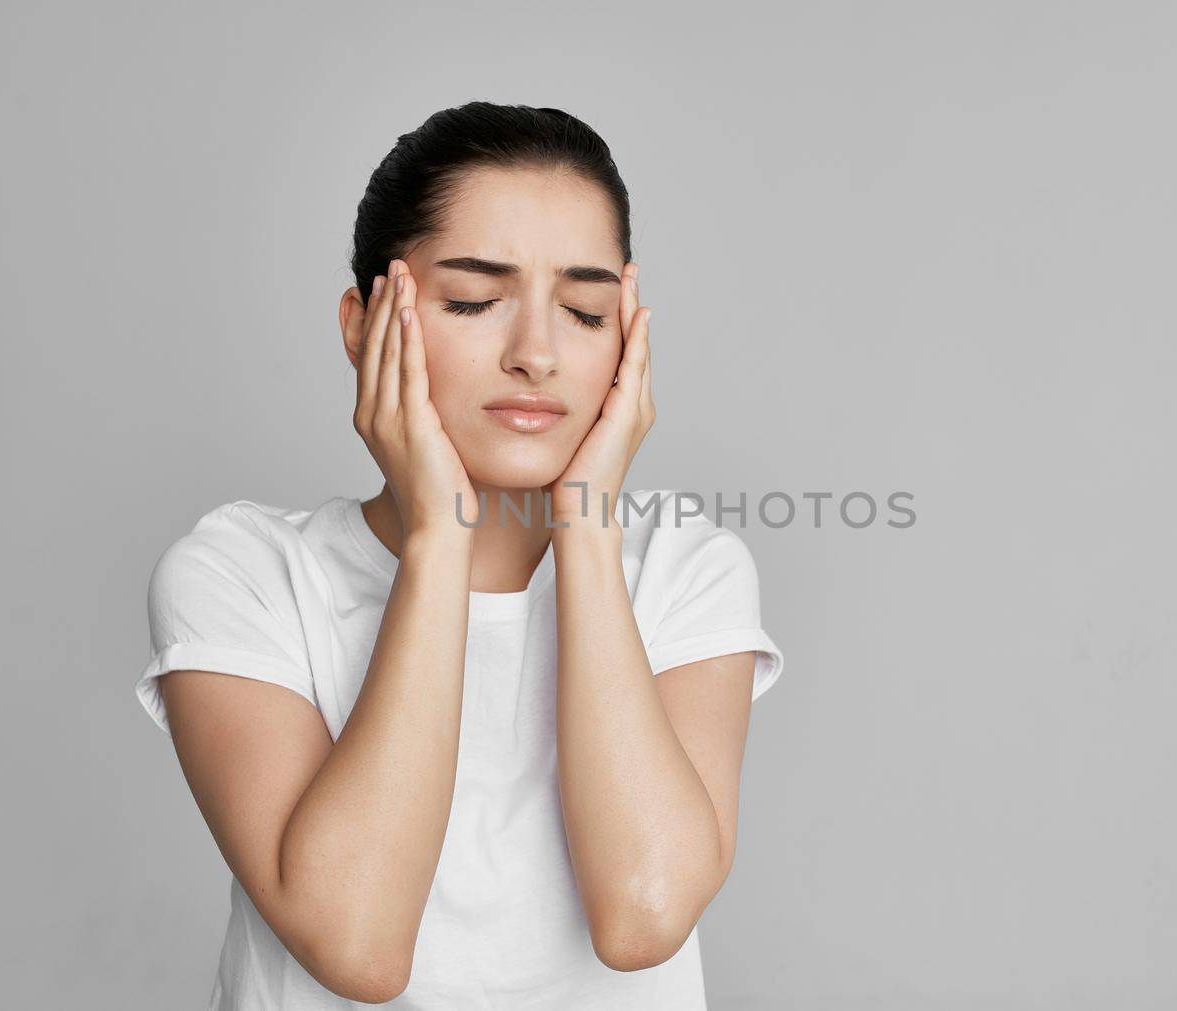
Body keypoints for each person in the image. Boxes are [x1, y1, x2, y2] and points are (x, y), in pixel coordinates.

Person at [132, 101, 785, 1010]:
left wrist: (587, 526)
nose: (537, 354)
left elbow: (643, 916)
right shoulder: (245, 575)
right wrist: (439, 537)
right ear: (363, 324)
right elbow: (356, 943)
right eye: (475, 300)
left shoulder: (684, 568)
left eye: (586, 311)